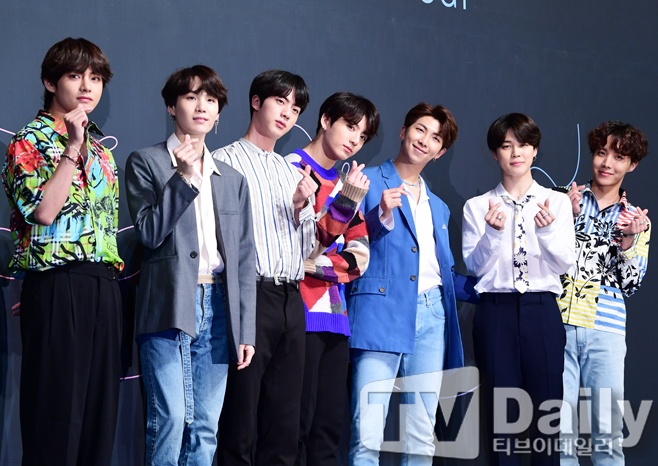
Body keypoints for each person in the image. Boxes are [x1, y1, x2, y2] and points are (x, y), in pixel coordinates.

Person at [125, 65, 256, 465]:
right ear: (171, 106)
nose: (202, 106)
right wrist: (182, 180)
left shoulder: (231, 178)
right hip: (169, 303)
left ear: (218, 114)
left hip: (218, 309)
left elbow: (244, 258)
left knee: (205, 428)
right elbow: (149, 234)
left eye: (211, 100)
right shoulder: (146, 162)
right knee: (169, 419)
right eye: (191, 97)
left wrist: (245, 328)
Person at [1, 37, 122, 466]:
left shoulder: (102, 153)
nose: (87, 86)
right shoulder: (29, 141)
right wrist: (71, 148)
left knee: (98, 421)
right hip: (57, 285)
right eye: (75, 75)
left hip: (104, 288)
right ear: (51, 82)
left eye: (96, 78)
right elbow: (44, 212)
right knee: (55, 418)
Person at [346, 103, 478, 466]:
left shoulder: (439, 207)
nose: (425, 140)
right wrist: (379, 215)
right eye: (420, 129)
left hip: (432, 316)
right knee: (367, 433)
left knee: (421, 435)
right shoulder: (367, 181)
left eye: (435, 138)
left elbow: (440, 271)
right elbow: (344, 244)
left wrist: (494, 289)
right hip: (379, 313)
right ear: (404, 131)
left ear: (440, 152)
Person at [213, 69, 318, 466]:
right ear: (256, 101)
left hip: (292, 297)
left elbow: (307, 249)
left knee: (284, 424)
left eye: (296, 108)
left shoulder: (293, 172)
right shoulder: (222, 162)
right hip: (249, 294)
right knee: (240, 419)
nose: (287, 113)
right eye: (280, 101)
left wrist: (301, 207)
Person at [462, 113, 575, 466]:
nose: (516, 153)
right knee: (502, 421)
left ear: (535, 150)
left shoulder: (556, 203)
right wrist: (492, 234)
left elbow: (565, 264)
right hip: (495, 314)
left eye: (524, 145)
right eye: (506, 146)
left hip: (542, 311)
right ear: (494, 153)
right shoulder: (477, 207)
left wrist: (546, 233)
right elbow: (475, 267)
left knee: (546, 419)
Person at [285, 91, 380, 466]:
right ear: (326, 120)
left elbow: (359, 260)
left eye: (363, 135)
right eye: (350, 126)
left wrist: (314, 266)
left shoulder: (345, 185)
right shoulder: (292, 169)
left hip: (336, 318)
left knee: (327, 431)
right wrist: (345, 204)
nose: (355, 139)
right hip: (296, 313)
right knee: (293, 427)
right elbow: (301, 247)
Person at [558, 122, 650, 465]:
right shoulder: (563, 200)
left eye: (619, 157)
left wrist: (627, 243)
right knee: (559, 436)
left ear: (632, 165)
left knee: (608, 436)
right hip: (557, 325)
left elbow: (631, 284)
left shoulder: (636, 220)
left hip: (606, 331)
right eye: (601, 153)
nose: (607, 163)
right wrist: (563, 217)